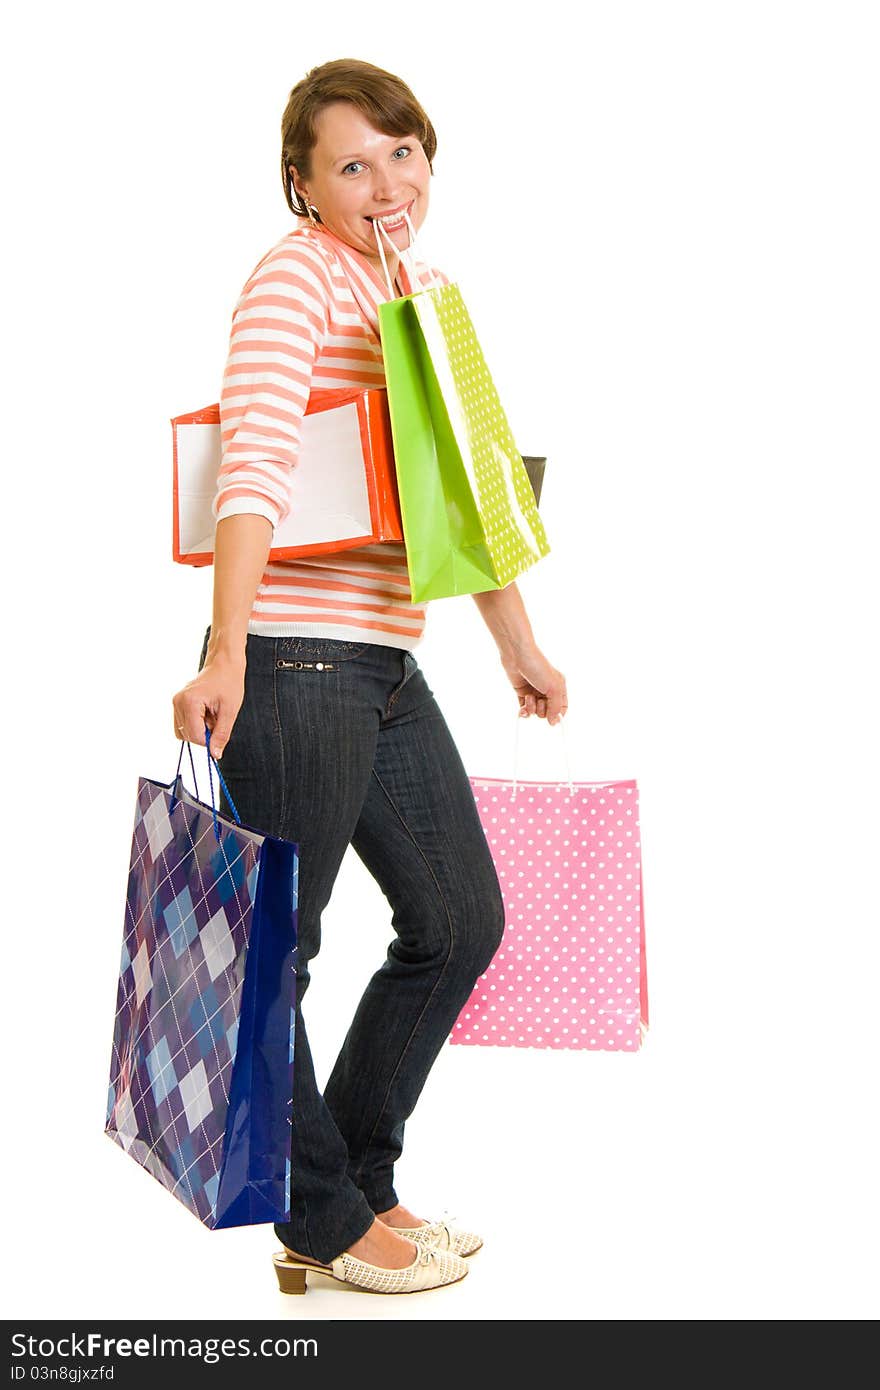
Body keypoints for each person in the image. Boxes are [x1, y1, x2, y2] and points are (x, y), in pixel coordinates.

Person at [172, 58, 568, 1296]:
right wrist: (225, 645)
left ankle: (357, 1185)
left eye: (403, 154)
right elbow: (255, 465)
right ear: (304, 186)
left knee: (459, 922)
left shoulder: (428, 291)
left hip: (387, 660)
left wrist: (518, 645)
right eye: (352, 164)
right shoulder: (295, 274)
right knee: (274, 952)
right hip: (293, 655)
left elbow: (471, 490)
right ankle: (324, 1219)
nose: (385, 182)